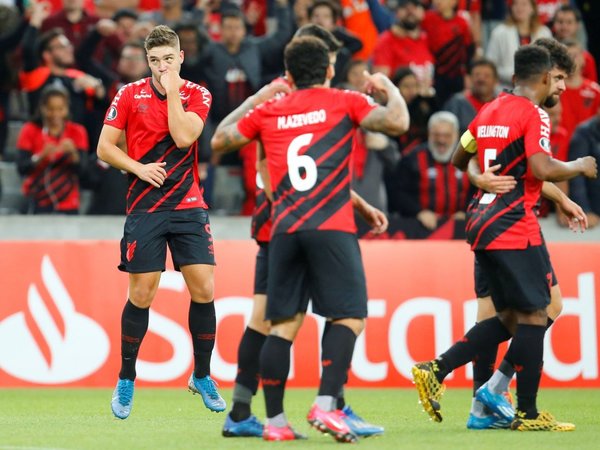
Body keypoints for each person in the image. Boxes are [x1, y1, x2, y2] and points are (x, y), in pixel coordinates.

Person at [212, 36, 409, 442]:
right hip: (330, 226)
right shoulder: (344, 101)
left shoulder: (271, 109)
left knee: (280, 324)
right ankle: (326, 404)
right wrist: (389, 88)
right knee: (349, 316)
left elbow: (219, 139)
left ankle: (275, 423)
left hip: (284, 228)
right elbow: (398, 123)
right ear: (330, 69)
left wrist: (258, 97)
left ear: (288, 73)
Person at [412, 41, 596, 431]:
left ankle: (441, 370)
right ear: (546, 76)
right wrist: (580, 165)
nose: (561, 87)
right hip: (513, 222)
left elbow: (462, 157)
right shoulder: (534, 114)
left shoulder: (488, 110)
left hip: (481, 220)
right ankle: (521, 410)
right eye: (558, 79)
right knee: (535, 314)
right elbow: (541, 167)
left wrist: (478, 177)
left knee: (512, 317)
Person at [96, 25, 225, 420]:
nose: (162, 66)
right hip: (145, 207)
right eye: (155, 61)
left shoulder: (198, 94)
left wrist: (171, 93)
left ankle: (201, 375)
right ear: (147, 60)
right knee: (143, 294)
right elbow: (104, 147)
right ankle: (126, 377)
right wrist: (137, 167)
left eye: (169, 59)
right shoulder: (128, 94)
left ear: (181, 57)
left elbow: (185, 138)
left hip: (188, 205)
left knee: (204, 288)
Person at [389, 111, 472, 229]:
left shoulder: (469, 159)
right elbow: (398, 193)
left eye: (447, 135)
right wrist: (418, 212)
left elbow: (478, 191)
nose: (441, 140)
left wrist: (467, 212)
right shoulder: (412, 159)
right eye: (437, 135)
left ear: (456, 135)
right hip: (419, 228)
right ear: (429, 134)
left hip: (461, 228)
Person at [16, 85, 88, 214]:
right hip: (37, 201)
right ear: (42, 108)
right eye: (50, 109)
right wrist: (40, 157)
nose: (55, 114)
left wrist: (74, 155)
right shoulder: (29, 129)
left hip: (68, 203)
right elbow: (21, 168)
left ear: (67, 108)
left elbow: (84, 173)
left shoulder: (77, 131)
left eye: (60, 109)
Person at [486, 0, 552, 89]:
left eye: (524, 4)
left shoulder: (544, 32)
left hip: (537, 89)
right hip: (506, 88)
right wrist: (516, 75)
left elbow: (550, 62)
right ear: (511, 8)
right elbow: (491, 65)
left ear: (533, 8)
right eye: (515, 4)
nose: (519, 8)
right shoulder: (499, 32)